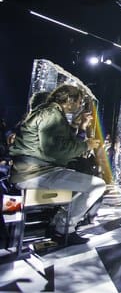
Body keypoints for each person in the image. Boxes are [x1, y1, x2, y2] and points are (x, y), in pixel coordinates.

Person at [9, 84, 105, 245]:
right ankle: (63, 228)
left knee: (83, 183)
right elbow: (56, 150)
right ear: (68, 100)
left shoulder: (50, 112)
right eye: (78, 102)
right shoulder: (51, 114)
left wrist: (76, 126)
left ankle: (59, 224)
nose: (79, 106)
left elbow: (60, 142)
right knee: (96, 185)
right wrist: (86, 145)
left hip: (35, 171)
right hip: (34, 174)